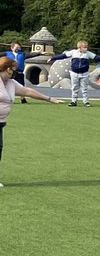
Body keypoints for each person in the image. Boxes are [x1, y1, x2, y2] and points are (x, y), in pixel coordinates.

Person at [0, 56, 62, 186]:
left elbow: (27, 91)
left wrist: (49, 99)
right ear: (7, 69)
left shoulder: (11, 83)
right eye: (13, 69)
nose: (14, 72)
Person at [51, 39, 100, 107]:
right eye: (84, 47)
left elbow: (97, 57)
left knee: (84, 88)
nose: (86, 49)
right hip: (74, 73)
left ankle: (86, 102)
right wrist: (53, 58)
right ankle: (74, 101)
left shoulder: (88, 54)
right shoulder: (73, 52)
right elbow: (63, 56)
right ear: (79, 47)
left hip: (84, 73)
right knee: (74, 87)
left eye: (86, 47)